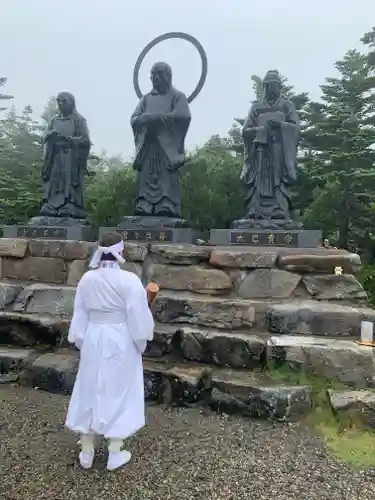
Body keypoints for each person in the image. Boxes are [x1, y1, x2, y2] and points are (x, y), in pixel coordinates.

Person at [65, 232, 155, 471]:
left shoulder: (87, 279)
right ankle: (114, 452)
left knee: (89, 386)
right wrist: (141, 340)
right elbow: (138, 316)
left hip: (94, 335)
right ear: (121, 251)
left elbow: (80, 313)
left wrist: (81, 339)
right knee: (119, 388)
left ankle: (87, 451)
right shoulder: (129, 280)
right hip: (120, 337)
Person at [130, 61, 191, 218]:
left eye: (160, 74)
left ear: (168, 77)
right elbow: (134, 118)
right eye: (153, 74)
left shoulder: (177, 97)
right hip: (147, 146)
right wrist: (143, 119)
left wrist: (158, 118)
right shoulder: (145, 99)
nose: (156, 77)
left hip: (166, 147)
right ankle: (144, 203)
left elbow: (183, 116)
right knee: (145, 176)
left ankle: (166, 203)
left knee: (165, 176)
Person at [241, 70, 300, 221]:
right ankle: (255, 211)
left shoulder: (287, 105)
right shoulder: (256, 107)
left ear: (280, 87)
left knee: (278, 183)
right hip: (259, 151)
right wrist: (260, 130)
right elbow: (245, 131)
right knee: (258, 185)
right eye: (267, 86)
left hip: (279, 152)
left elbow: (295, 128)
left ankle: (280, 210)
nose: (270, 89)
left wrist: (280, 126)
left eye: (273, 86)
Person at [41, 92, 91, 219]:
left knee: (68, 182)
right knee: (54, 181)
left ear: (71, 103)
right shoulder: (54, 121)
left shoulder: (79, 120)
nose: (61, 104)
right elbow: (44, 137)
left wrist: (72, 140)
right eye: (59, 101)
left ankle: (69, 205)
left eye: (64, 101)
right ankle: (51, 206)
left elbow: (85, 140)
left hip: (71, 157)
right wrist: (50, 135)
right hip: (56, 156)